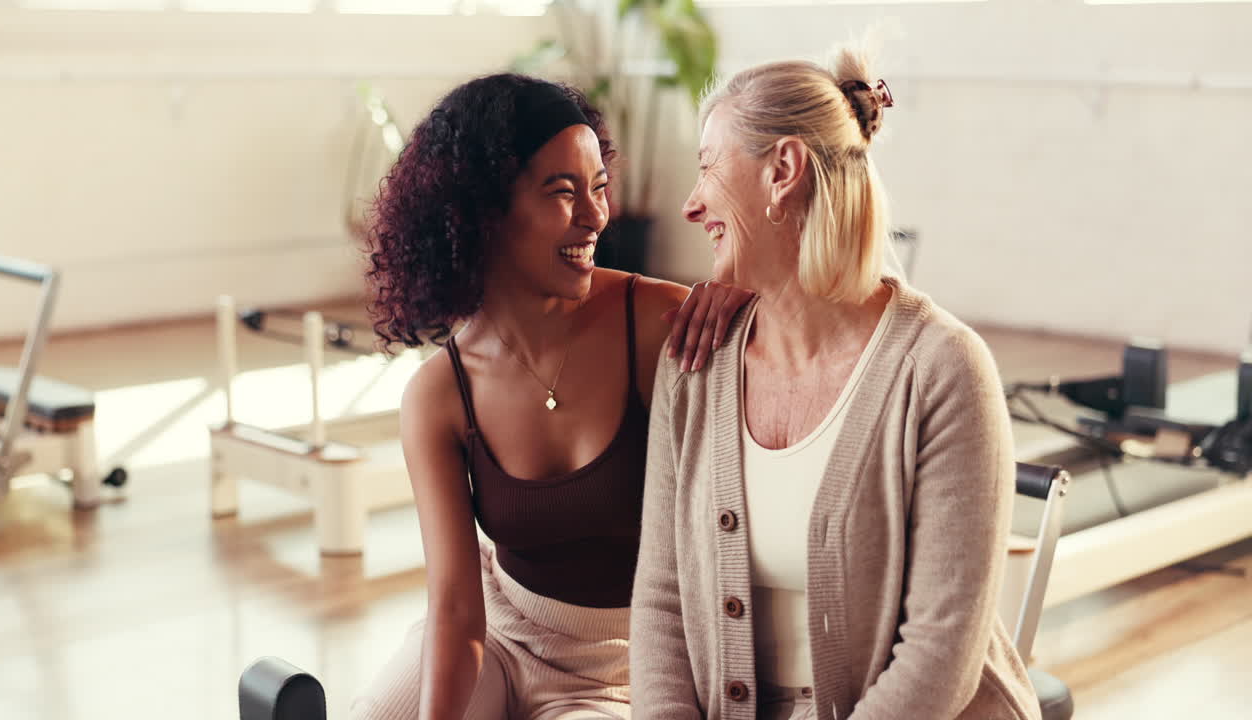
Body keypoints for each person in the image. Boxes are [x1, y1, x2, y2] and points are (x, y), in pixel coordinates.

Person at [629, 49, 1042, 720]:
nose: (689, 202)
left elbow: (940, 653)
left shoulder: (943, 370)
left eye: (707, 166)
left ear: (782, 172)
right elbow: (661, 596)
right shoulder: (696, 362)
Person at [351, 74, 751, 720]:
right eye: (563, 193)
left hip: (621, 665)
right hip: (501, 633)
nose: (597, 216)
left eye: (598, 187)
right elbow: (456, 612)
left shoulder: (655, 326)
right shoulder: (440, 394)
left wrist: (756, 300)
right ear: (482, 212)